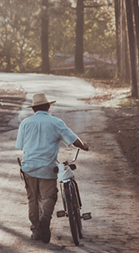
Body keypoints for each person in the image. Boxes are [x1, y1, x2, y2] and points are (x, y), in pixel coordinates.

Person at [16, 92, 88, 243]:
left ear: (33, 109)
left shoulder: (25, 123)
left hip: (28, 167)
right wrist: (83, 146)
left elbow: (21, 146)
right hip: (47, 167)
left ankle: (36, 232)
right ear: (48, 107)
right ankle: (45, 219)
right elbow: (73, 140)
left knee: (33, 199)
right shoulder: (56, 122)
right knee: (49, 196)